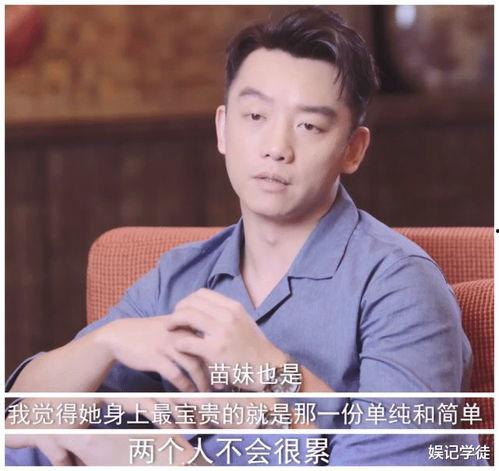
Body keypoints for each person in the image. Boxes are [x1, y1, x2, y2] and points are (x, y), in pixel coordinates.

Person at [6, 7, 487, 466]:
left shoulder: (401, 286)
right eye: (255, 117)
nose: (276, 148)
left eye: (309, 125)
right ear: (223, 129)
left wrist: (273, 373)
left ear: (353, 149)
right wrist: (107, 342)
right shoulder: (178, 278)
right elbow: (20, 418)